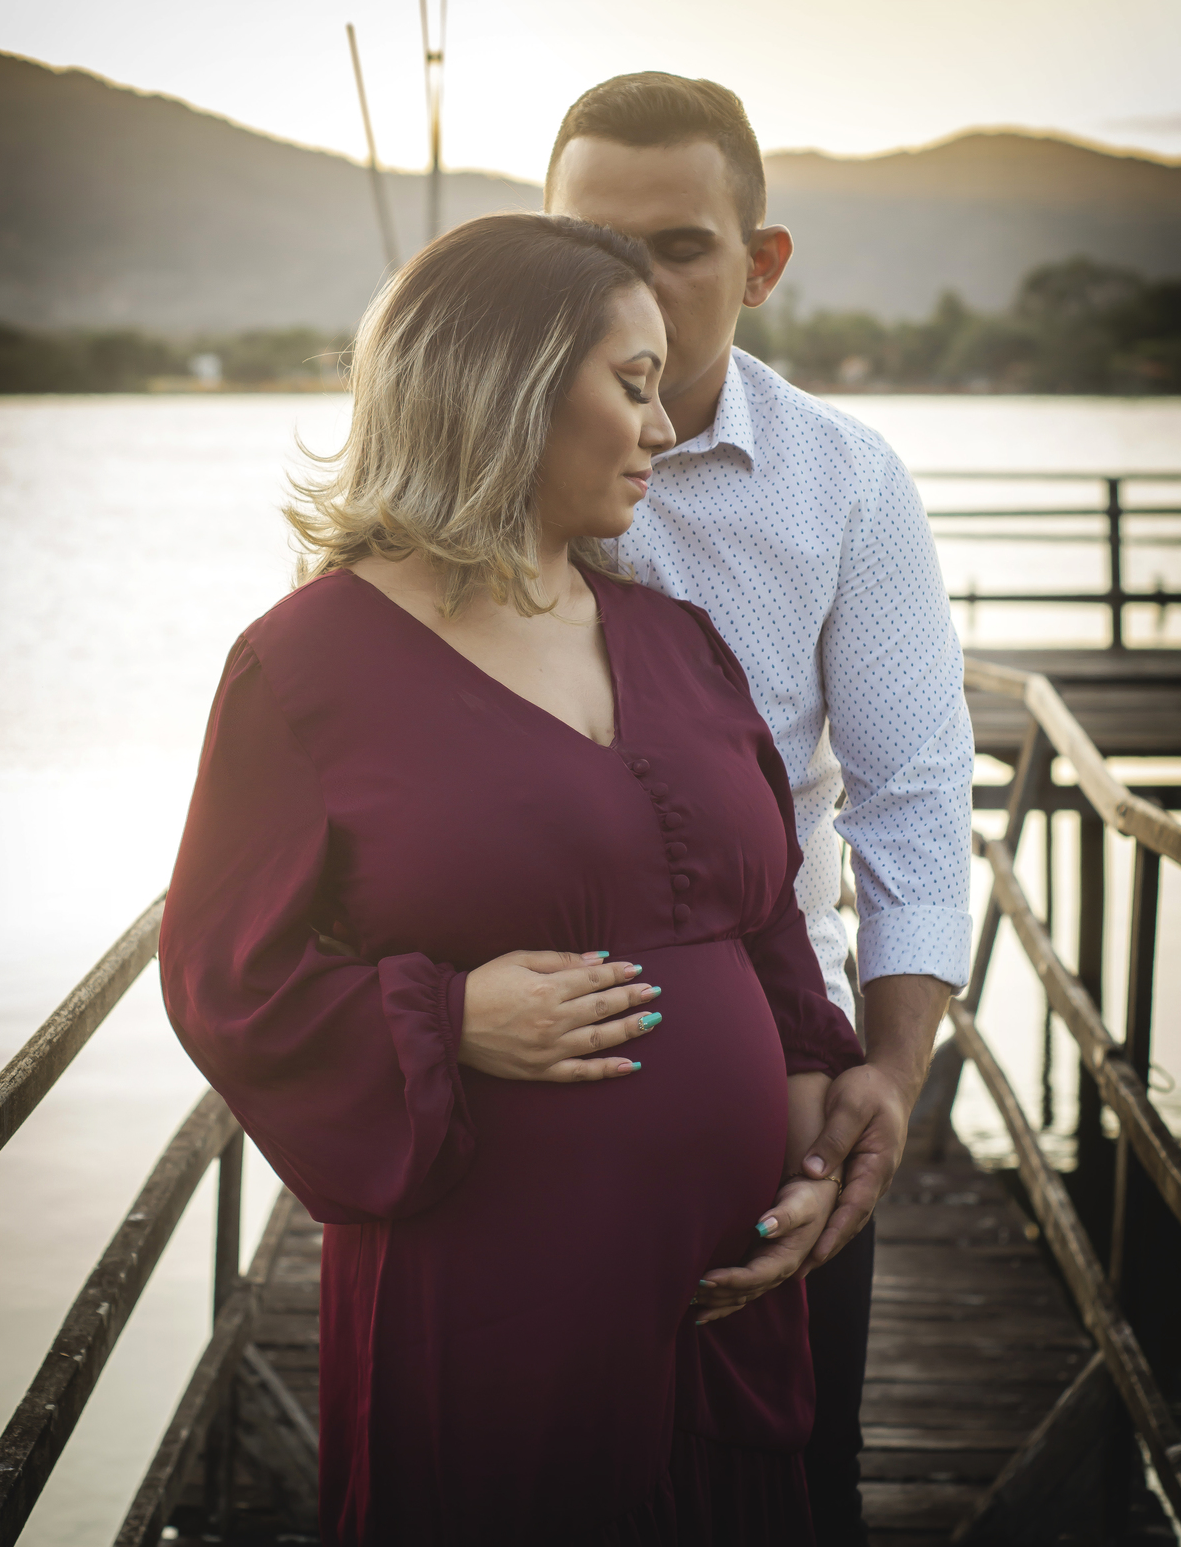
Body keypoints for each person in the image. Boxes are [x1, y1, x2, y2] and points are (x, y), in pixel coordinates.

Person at [160, 213, 864, 1546]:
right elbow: (226, 981)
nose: (664, 429)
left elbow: (767, 918)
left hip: (726, 1304)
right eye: (635, 385)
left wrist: (813, 1153)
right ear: (509, 384)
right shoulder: (305, 668)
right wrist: (448, 1018)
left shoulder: (679, 640)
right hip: (494, 1304)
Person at [544, 73, 974, 1544]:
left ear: (762, 264)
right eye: (589, 247)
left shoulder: (844, 484)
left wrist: (892, 1074)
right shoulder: (461, 466)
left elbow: (913, 797)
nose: (631, 289)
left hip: (772, 1069)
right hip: (516, 1066)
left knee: (788, 1475)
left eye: (679, 248)